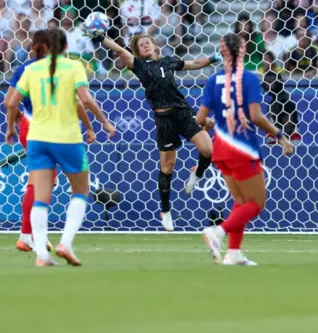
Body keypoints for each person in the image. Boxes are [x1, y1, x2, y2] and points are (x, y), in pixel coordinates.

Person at [4, 28, 116, 267]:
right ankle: (58, 241)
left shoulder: (29, 69)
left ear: (39, 47)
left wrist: (10, 127)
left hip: (34, 132)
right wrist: (101, 123)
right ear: (65, 47)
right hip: (65, 136)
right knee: (79, 190)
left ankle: (38, 250)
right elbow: (83, 100)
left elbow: (9, 102)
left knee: (40, 187)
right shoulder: (73, 67)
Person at [89, 32, 220, 232]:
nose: (146, 46)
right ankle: (166, 212)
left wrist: (211, 59)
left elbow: (193, 64)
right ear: (138, 51)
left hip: (183, 113)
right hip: (163, 119)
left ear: (154, 45)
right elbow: (119, 50)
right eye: (141, 45)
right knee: (168, 167)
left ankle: (198, 174)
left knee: (208, 150)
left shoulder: (168, 61)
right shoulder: (139, 65)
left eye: (148, 43)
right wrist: (100, 38)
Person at [199, 34, 294, 265]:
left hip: (220, 147)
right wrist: (280, 136)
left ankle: (234, 253)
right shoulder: (249, 78)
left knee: (240, 201)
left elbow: (201, 118)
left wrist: (213, 123)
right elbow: (256, 116)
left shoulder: (214, 80)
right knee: (256, 203)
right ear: (243, 50)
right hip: (242, 147)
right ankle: (218, 232)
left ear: (222, 52)